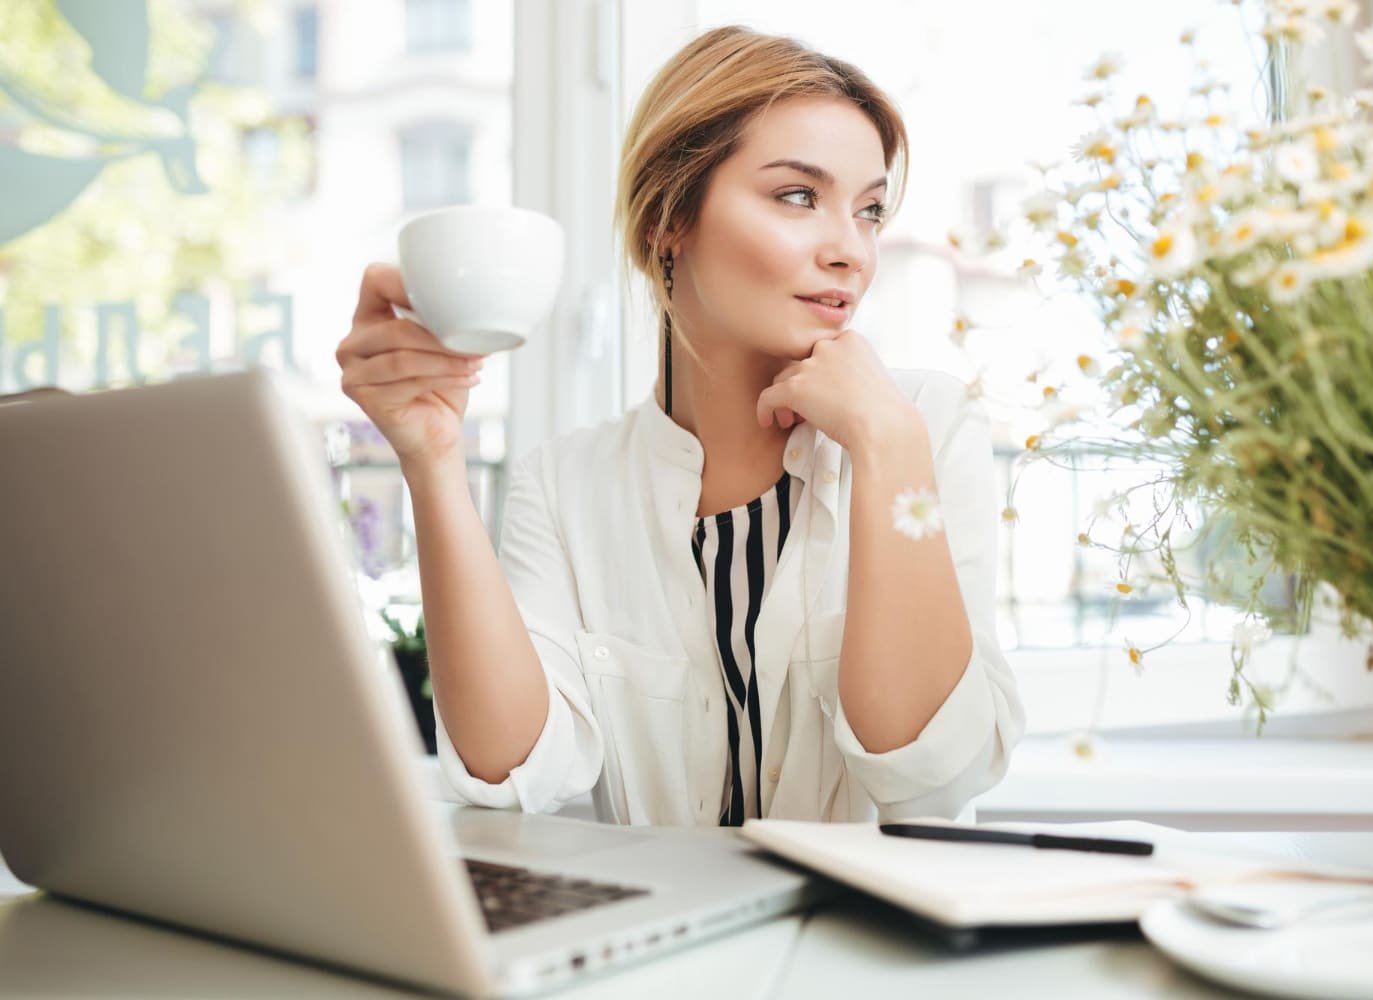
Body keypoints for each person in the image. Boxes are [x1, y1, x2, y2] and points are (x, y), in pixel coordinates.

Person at [335, 25, 1024, 826]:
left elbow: (934, 775)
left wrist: (886, 443)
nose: (851, 251)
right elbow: (513, 769)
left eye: (868, 210)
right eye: (798, 196)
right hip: (661, 943)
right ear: (670, 215)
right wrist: (432, 460)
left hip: (878, 949)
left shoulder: (923, 428)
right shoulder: (565, 484)